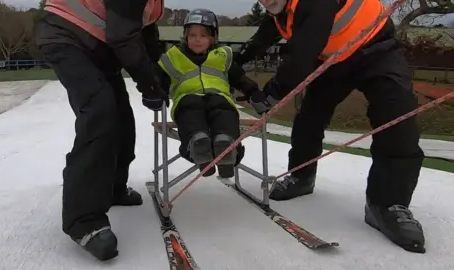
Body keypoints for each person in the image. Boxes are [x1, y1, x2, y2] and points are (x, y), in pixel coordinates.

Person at [234, 0, 426, 253]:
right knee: (310, 117)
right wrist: (234, 62)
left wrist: (270, 95)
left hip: (377, 49)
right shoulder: (281, 12)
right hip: (335, 60)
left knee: (396, 117)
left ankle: (387, 204)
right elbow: (261, 40)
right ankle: (302, 176)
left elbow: (300, 56)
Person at [36, 0, 168, 261]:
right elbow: (122, 36)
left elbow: (145, 31)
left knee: (122, 118)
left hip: (99, 51)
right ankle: (83, 221)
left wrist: (161, 72)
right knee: (100, 112)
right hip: (65, 37)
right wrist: (148, 85)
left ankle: (113, 188)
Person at [155, 9, 262, 178]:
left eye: (203, 36)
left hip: (219, 97)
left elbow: (239, 78)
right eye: (192, 35)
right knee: (190, 112)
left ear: (212, 38)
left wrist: (253, 91)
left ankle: (226, 145)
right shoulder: (173, 57)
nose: (197, 40)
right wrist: (154, 92)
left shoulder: (222, 56)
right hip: (187, 98)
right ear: (185, 37)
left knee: (225, 112)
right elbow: (159, 80)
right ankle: (198, 144)